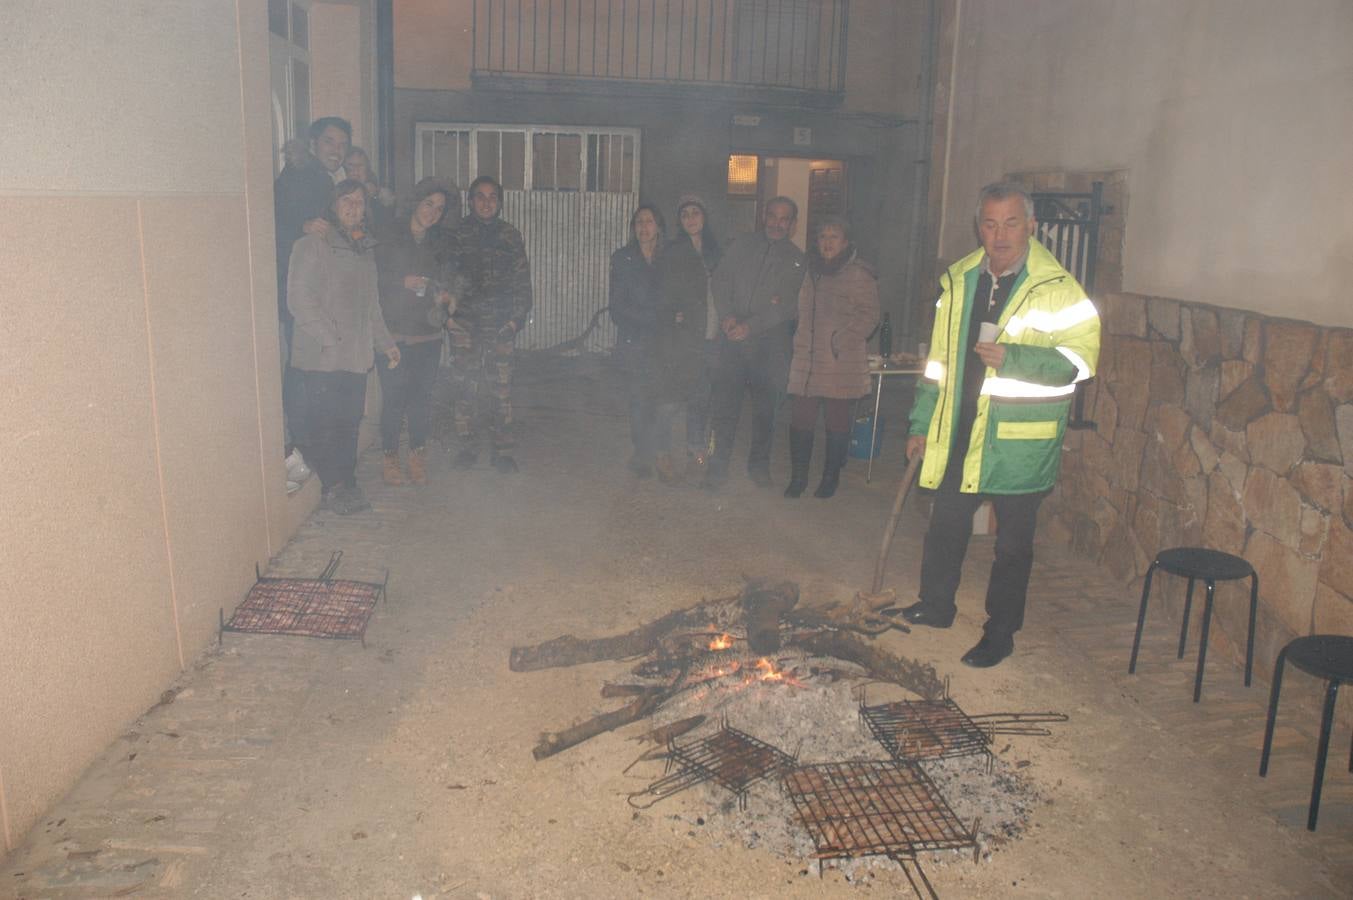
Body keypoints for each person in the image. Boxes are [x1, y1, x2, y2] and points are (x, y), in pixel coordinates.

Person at [902, 182, 1101, 668]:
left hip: (1018, 443)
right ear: (979, 228)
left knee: (1012, 547)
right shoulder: (960, 280)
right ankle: (936, 605)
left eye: (1011, 222)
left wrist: (1015, 358)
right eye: (990, 223)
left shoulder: (1058, 289)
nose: (1000, 234)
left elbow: (1080, 362)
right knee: (945, 526)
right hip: (958, 432)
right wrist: (920, 423)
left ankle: (1001, 632)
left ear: (1031, 227)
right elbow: (939, 365)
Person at [287, 179, 400, 515]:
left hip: (354, 356)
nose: (353, 207)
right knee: (325, 425)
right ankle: (335, 488)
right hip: (322, 357)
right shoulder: (312, 244)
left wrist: (387, 345)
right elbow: (299, 299)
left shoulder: (364, 249)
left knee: (348, 423)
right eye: (346, 200)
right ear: (332, 205)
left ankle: (346, 483)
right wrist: (329, 338)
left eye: (360, 201)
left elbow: (372, 308)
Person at [704, 197, 807, 490]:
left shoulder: (797, 259)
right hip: (732, 337)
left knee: (766, 410)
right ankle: (716, 467)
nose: (777, 223)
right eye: (772, 216)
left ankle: (759, 466)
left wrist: (750, 326)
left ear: (793, 224)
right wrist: (727, 317)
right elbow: (720, 280)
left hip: (769, 344)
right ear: (764, 216)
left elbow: (785, 305)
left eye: (784, 219)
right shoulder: (741, 245)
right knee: (724, 407)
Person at [273, 117, 353, 487]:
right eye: (329, 142)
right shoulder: (300, 176)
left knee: (307, 369)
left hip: (315, 291)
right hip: (292, 291)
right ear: (313, 144)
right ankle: (298, 449)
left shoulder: (325, 181)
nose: (336, 150)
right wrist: (299, 229)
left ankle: (308, 449)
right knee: (299, 370)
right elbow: (269, 224)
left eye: (342, 144)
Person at [438, 175, 532, 473]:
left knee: (500, 390)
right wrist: (447, 318)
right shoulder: (455, 234)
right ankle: (466, 447)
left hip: (500, 326)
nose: (487, 202)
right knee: (465, 386)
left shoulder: (510, 236)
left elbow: (522, 281)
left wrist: (516, 321)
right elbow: (444, 278)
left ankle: (502, 452)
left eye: (493, 197)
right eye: (480, 196)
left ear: (501, 203)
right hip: (464, 325)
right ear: (470, 200)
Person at [784, 216, 880, 499]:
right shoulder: (808, 270)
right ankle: (798, 476)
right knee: (801, 417)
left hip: (839, 360)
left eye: (834, 237)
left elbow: (869, 315)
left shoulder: (858, 274)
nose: (827, 242)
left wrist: (841, 340)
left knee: (836, 421)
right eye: (823, 236)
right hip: (807, 358)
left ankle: (830, 477)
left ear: (846, 242)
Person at [375, 177, 458, 487]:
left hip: (428, 335)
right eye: (428, 204)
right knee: (394, 398)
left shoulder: (441, 242)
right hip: (394, 335)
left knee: (421, 399)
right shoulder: (388, 234)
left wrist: (445, 297)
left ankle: (417, 455)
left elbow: (448, 281)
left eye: (439, 208)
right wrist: (401, 283)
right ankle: (389, 457)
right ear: (415, 202)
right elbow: (373, 278)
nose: (433, 213)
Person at [659, 193, 723, 481]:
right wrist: (673, 314)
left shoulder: (716, 252)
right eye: (685, 215)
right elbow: (663, 291)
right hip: (683, 339)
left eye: (695, 213)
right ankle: (662, 452)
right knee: (672, 399)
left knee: (701, 398)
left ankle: (695, 451)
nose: (690, 219)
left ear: (705, 217)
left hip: (711, 335)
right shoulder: (673, 251)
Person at [609, 205, 668, 479]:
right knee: (637, 399)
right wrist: (651, 320)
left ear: (659, 226)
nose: (644, 227)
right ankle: (641, 453)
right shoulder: (623, 258)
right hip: (634, 339)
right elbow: (617, 307)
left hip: (663, 342)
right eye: (639, 222)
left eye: (650, 221)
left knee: (660, 398)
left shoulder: (671, 258)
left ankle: (660, 452)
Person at [343, 146, 395, 240]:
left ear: (367, 169)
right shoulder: (338, 195)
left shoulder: (377, 196)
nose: (355, 169)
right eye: (351, 165)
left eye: (360, 165)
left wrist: (376, 194)